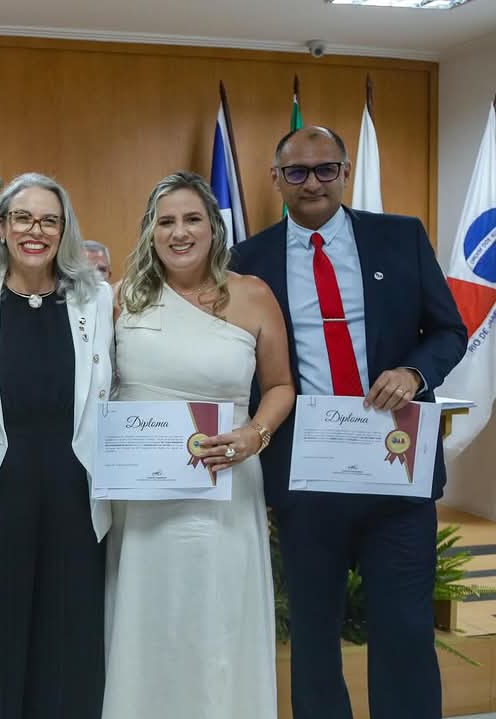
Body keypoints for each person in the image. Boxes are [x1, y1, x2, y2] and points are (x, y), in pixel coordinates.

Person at [233, 125, 467, 719]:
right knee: (312, 635)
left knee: (407, 630)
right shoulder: (247, 259)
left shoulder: (400, 237)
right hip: (306, 477)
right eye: (297, 172)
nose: (312, 182)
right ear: (276, 180)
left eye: (325, 169)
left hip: (396, 471)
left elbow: (448, 331)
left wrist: (415, 373)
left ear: (345, 171)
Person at [102, 171, 295, 718]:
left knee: (215, 613)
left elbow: (281, 386)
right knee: (147, 611)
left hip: (226, 483)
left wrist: (254, 436)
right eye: (166, 221)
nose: (179, 232)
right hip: (140, 496)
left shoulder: (253, 295)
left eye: (192, 220)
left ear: (214, 228)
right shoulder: (121, 299)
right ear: (150, 231)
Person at [0, 173, 113, 719]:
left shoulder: (98, 299)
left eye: (49, 220)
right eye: (23, 218)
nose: (35, 231)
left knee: (68, 647)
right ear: (2, 227)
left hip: (75, 496)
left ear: (64, 232)